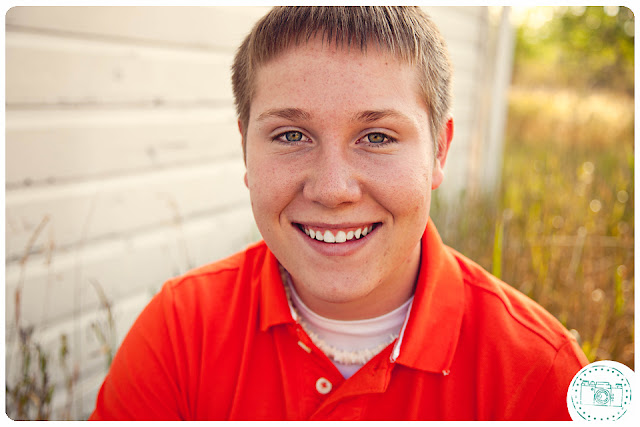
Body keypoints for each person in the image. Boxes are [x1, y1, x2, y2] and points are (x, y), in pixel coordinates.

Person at [89, 6, 588, 420]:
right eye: (291, 136)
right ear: (245, 151)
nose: (332, 190)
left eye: (376, 137)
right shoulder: (181, 333)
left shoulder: (539, 372)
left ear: (439, 151)